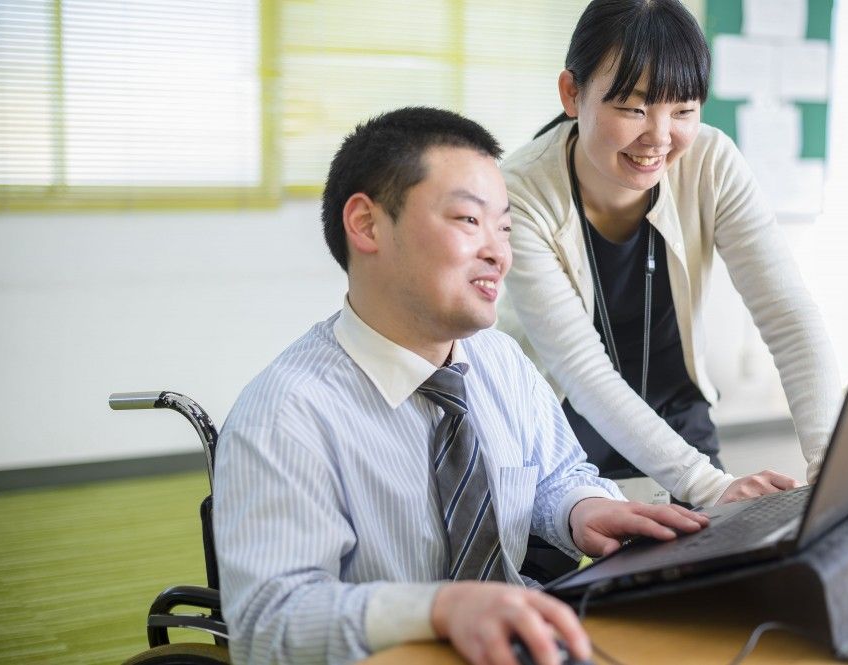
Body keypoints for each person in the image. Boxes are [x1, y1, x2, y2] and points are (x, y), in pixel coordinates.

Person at [213, 107, 708, 665]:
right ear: (367, 224)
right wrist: (439, 610)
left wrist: (583, 510)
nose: (499, 252)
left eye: (505, 228)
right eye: (469, 221)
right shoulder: (285, 415)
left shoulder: (499, 361)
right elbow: (271, 623)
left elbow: (555, 475)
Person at [496, 0, 842, 514]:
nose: (659, 138)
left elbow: (788, 316)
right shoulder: (518, 191)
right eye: (634, 108)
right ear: (573, 93)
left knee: (710, 574)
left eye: (682, 110)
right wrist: (709, 485)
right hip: (562, 419)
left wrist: (831, 465)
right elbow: (579, 369)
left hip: (677, 406)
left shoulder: (712, 161)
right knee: (576, 578)